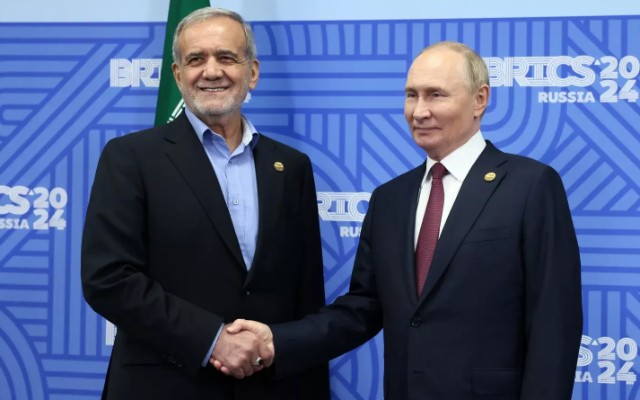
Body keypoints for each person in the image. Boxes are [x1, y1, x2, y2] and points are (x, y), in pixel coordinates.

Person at [222, 41, 583, 399]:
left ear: (480, 99)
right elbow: (362, 309)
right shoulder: (390, 199)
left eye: (436, 95)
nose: (419, 111)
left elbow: (554, 323)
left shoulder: (530, 186)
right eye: (412, 95)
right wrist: (277, 340)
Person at [81, 7, 329, 400]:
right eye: (196, 59)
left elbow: (307, 298)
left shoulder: (291, 167)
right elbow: (108, 279)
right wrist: (213, 339)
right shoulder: (130, 158)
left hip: (270, 389)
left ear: (252, 72)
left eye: (226, 57)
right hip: (163, 387)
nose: (211, 71)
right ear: (178, 75)